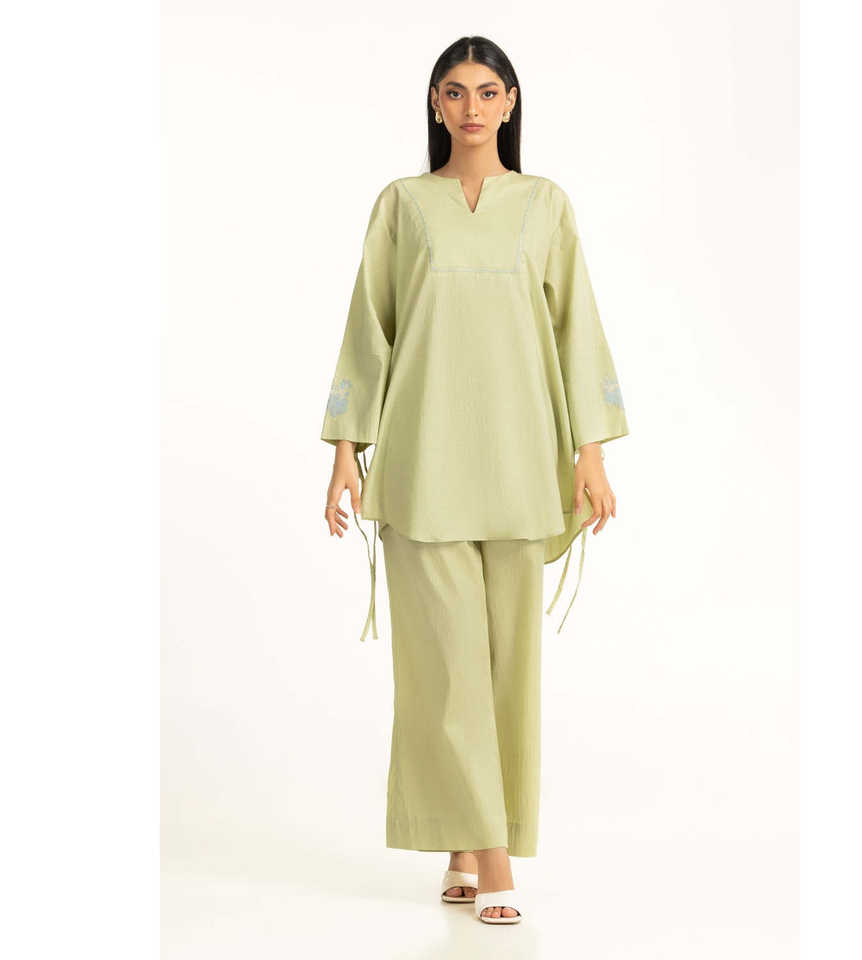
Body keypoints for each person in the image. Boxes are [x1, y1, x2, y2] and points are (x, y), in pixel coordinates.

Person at [320, 36, 629, 925]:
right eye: (454, 92)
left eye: (487, 92)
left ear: (511, 102)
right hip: (422, 461)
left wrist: (592, 452)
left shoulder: (545, 204)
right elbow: (369, 328)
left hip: (524, 460)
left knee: (505, 673)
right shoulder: (402, 204)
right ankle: (492, 857)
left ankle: (464, 844)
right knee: (447, 672)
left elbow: (576, 327)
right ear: (434, 103)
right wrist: (345, 450)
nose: (471, 107)